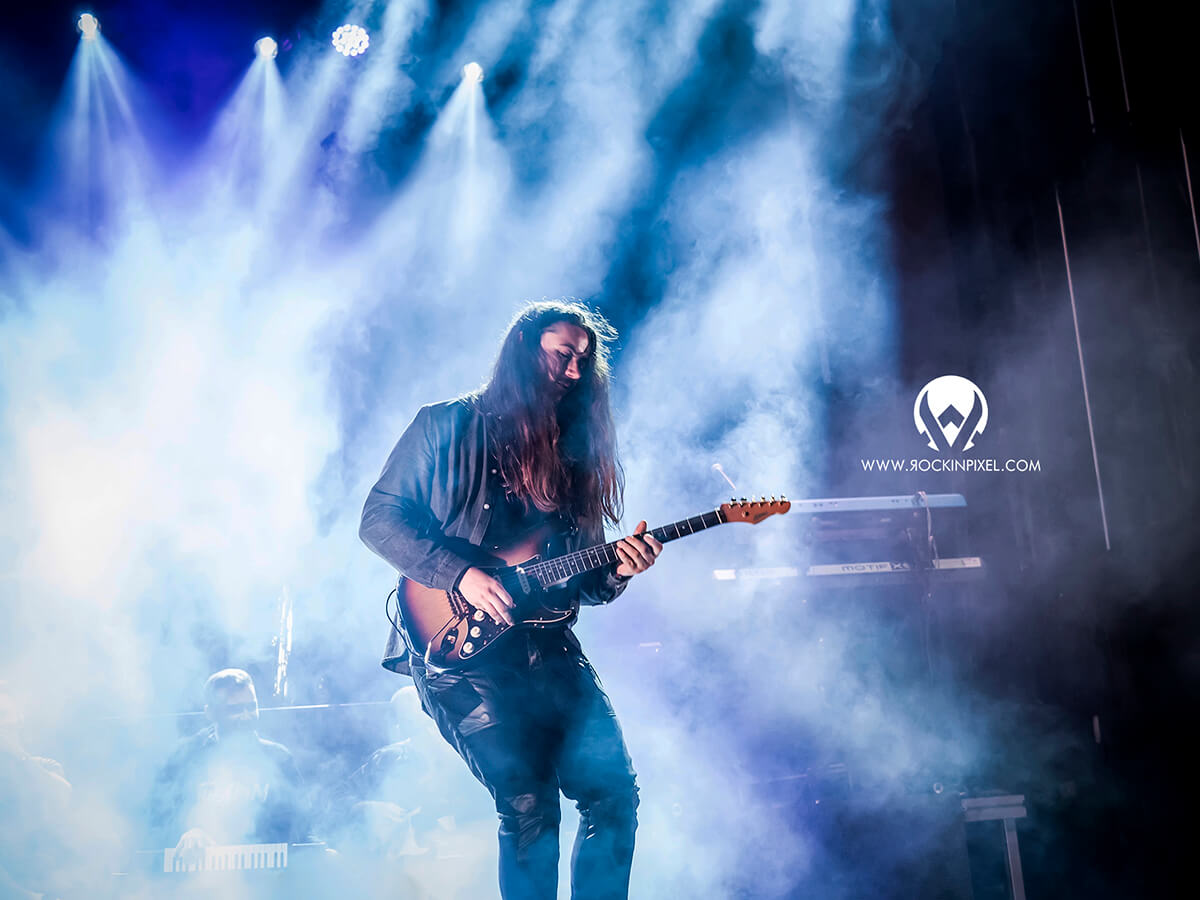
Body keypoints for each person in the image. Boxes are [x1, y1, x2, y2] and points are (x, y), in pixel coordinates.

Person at [359, 300, 662, 900]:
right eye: (563, 354)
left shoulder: (575, 452)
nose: (574, 371)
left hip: (550, 649)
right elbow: (379, 520)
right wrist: (460, 574)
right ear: (524, 348)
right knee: (530, 805)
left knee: (613, 797)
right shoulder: (445, 425)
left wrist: (619, 570)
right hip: (459, 652)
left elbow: (584, 578)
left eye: (583, 361)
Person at [149, 668, 311, 858]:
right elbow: (156, 822)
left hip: (270, 871)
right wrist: (186, 833)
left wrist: (319, 852)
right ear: (210, 713)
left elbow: (303, 825)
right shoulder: (185, 756)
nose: (246, 716)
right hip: (196, 870)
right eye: (235, 710)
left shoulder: (279, 758)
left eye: (252, 707)